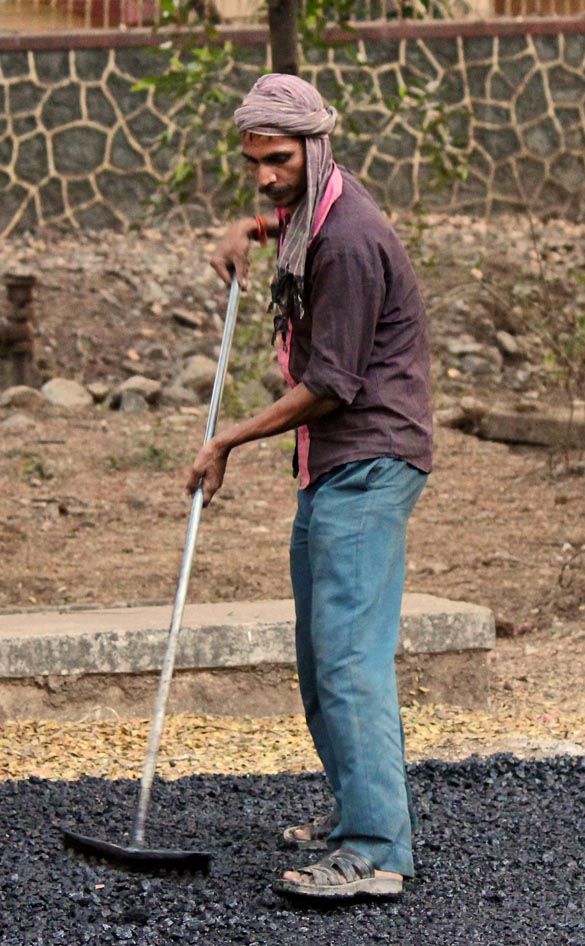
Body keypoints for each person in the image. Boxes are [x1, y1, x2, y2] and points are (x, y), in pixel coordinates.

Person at [187, 73, 433, 902]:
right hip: (331, 465)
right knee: (320, 655)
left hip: (369, 461)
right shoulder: (310, 214)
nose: (264, 175)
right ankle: (358, 815)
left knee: (351, 660)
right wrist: (247, 225)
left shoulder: (351, 241)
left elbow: (330, 383)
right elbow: (283, 218)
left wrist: (228, 437)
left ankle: (377, 852)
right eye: (253, 161)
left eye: (278, 160)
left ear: (315, 147)